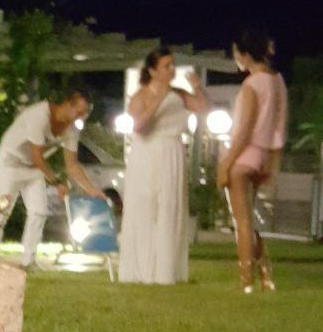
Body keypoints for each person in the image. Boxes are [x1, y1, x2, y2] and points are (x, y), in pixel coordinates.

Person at [0, 85, 105, 269]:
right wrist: (57, 183)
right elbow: (37, 156)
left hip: (33, 168)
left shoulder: (71, 130)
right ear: (68, 105)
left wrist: (92, 190)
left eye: (84, 115)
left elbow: (72, 164)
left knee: (39, 211)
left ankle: (28, 261)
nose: (80, 118)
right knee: (2, 208)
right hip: (11, 161)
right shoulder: (39, 115)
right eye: (79, 113)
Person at [118, 47, 208, 285]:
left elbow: (202, 108)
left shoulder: (178, 94)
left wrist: (197, 88)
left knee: (170, 206)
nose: (172, 69)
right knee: (146, 207)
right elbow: (139, 126)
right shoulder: (141, 95)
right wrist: (158, 98)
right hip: (147, 153)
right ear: (153, 70)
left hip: (172, 152)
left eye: (172, 65)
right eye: (166, 66)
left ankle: (167, 270)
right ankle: (143, 268)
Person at [218, 28, 287, 292]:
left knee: (242, 222)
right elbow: (279, 128)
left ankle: (246, 278)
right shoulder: (277, 81)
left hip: (244, 156)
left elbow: (244, 131)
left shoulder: (251, 85)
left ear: (245, 55)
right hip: (262, 156)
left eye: (236, 53)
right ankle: (265, 273)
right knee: (249, 219)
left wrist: (225, 164)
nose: (235, 58)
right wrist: (273, 162)